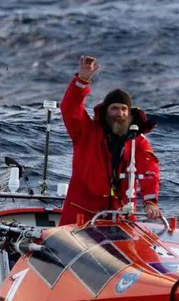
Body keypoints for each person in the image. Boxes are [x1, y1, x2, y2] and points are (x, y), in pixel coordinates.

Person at [58, 55, 162, 226]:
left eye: (123, 109)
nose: (119, 114)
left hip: (121, 216)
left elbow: (150, 170)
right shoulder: (86, 132)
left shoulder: (137, 141)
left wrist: (150, 202)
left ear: (129, 113)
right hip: (81, 215)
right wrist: (82, 81)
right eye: (114, 108)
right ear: (106, 111)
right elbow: (70, 108)